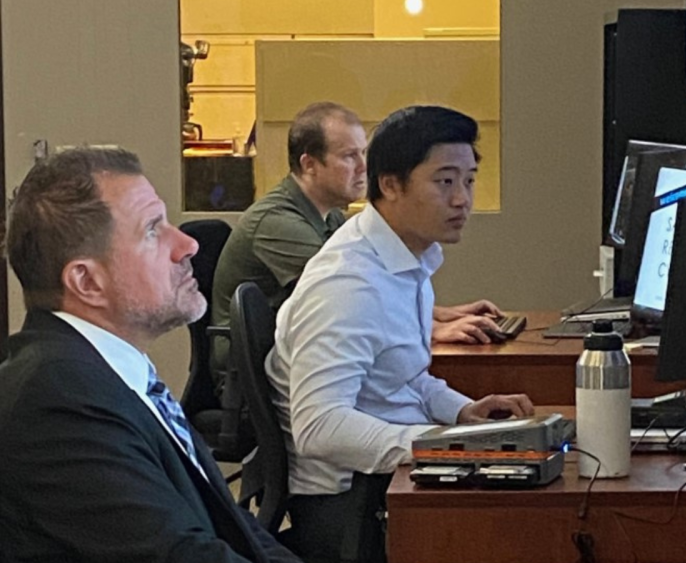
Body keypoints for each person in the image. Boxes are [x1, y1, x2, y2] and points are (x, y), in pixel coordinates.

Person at [0, 147, 300, 563]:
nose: (188, 244)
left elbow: (234, 526)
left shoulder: (108, 375)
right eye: (153, 230)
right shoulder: (55, 399)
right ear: (87, 281)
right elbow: (178, 554)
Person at [267, 106, 535, 563]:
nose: (461, 199)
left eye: (468, 181)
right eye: (444, 181)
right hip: (352, 505)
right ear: (390, 184)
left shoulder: (406, 260)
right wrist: (438, 446)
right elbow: (319, 427)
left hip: (388, 478)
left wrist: (463, 411)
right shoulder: (348, 284)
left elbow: (404, 376)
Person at [211, 101, 504, 392]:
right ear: (309, 164)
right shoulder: (276, 221)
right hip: (252, 384)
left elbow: (375, 293)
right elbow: (347, 302)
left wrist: (439, 313)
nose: (364, 167)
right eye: (349, 156)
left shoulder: (331, 214)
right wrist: (432, 330)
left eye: (363, 153)